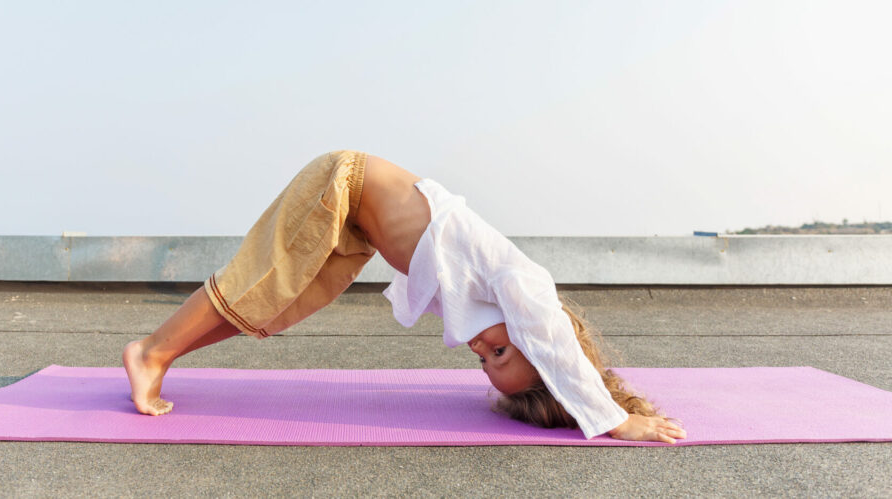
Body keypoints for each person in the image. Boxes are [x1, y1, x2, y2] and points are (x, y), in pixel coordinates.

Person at [123, 151, 687, 443]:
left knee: (275, 306)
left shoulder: (486, 305)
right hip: (340, 184)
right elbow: (557, 346)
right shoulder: (526, 289)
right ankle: (150, 352)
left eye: (483, 361)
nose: (482, 348)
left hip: (356, 229)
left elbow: (547, 356)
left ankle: (163, 353)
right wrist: (612, 420)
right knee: (260, 278)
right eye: (501, 353)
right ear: (532, 338)